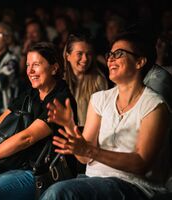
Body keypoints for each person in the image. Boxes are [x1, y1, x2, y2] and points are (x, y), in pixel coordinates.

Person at [40, 31, 171, 200]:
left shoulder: (154, 106)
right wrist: (70, 126)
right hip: (93, 179)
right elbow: (84, 158)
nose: (110, 59)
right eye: (110, 54)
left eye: (119, 54)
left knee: (59, 192)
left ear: (139, 61)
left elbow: (140, 163)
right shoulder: (100, 99)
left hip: (133, 185)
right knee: (50, 190)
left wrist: (90, 150)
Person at [0, 42, 77, 200]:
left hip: (42, 171)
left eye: (36, 65)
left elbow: (27, 138)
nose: (30, 71)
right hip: (14, 161)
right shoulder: (31, 93)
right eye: (27, 65)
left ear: (54, 68)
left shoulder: (61, 99)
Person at [63, 33, 108, 126]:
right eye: (79, 54)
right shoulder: (60, 81)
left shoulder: (98, 81)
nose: (85, 59)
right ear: (68, 56)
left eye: (88, 54)